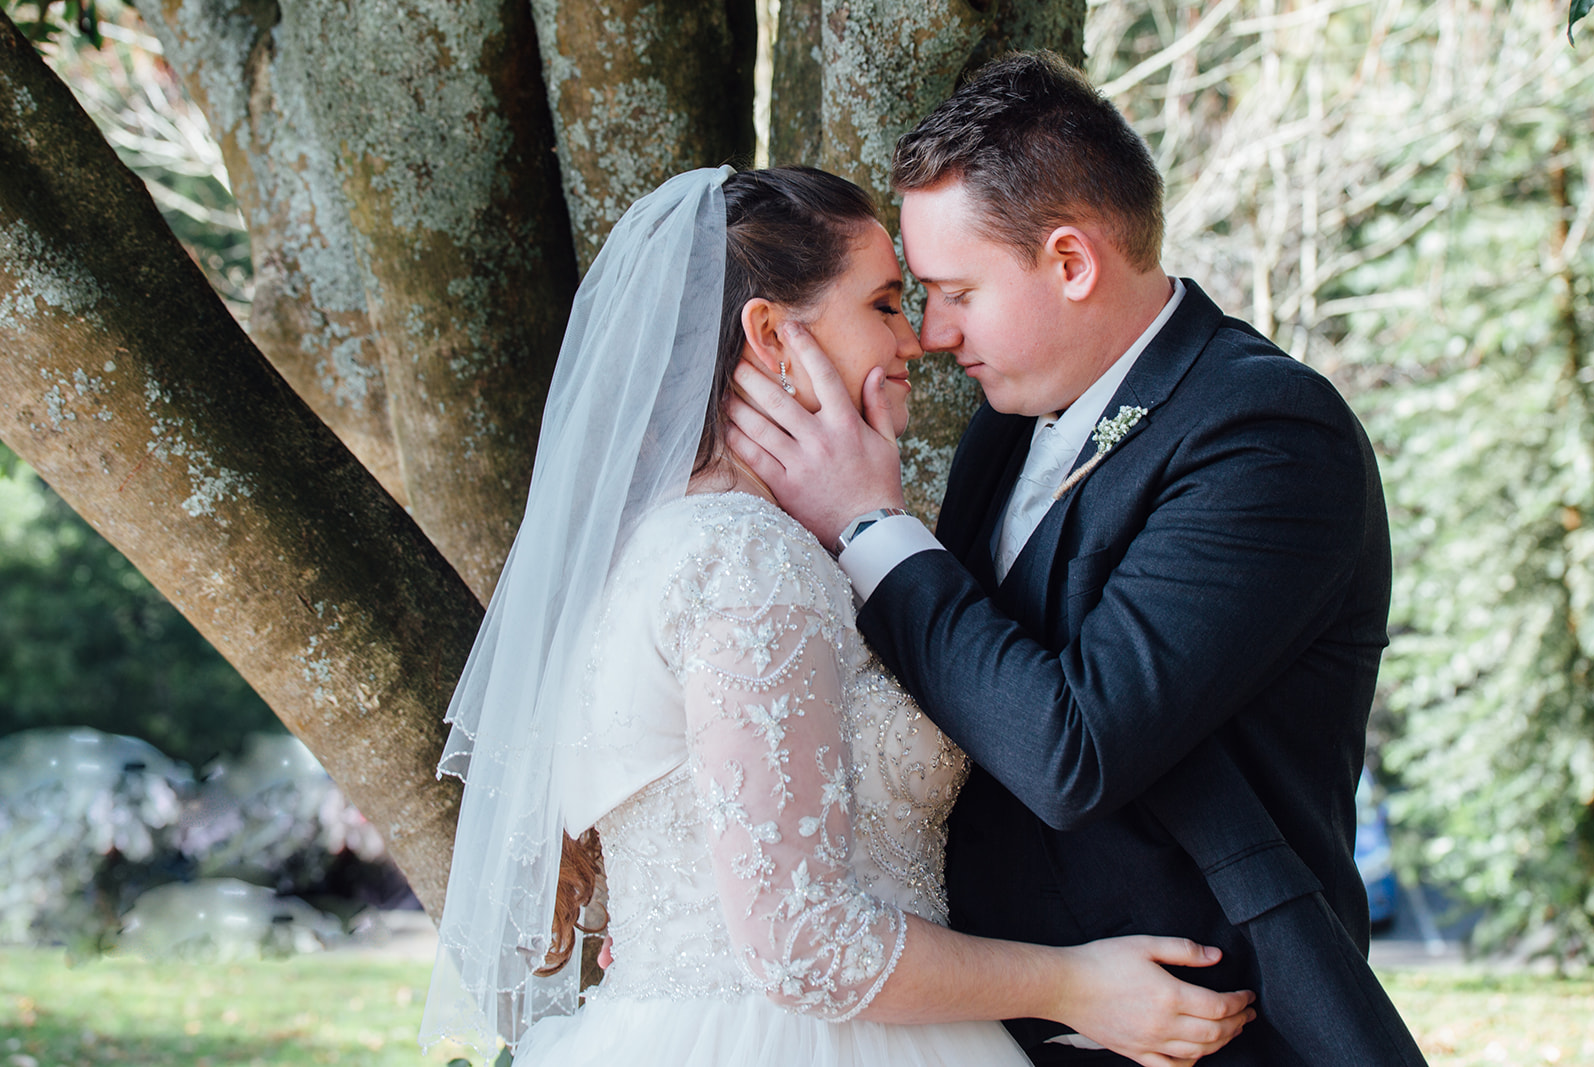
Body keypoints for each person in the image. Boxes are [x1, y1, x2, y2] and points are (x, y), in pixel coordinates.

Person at [419, 165, 1257, 1067]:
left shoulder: (665, 543)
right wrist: (1073, 984)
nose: (917, 339)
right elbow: (802, 942)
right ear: (771, 335)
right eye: (885, 304)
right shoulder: (749, 557)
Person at [728, 54, 1430, 1066]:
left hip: (1199, 1029)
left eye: (956, 291)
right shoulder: (1004, 428)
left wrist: (870, 525)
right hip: (981, 1023)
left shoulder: (1269, 435)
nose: (933, 334)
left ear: (1070, 261)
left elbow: (1073, 751)